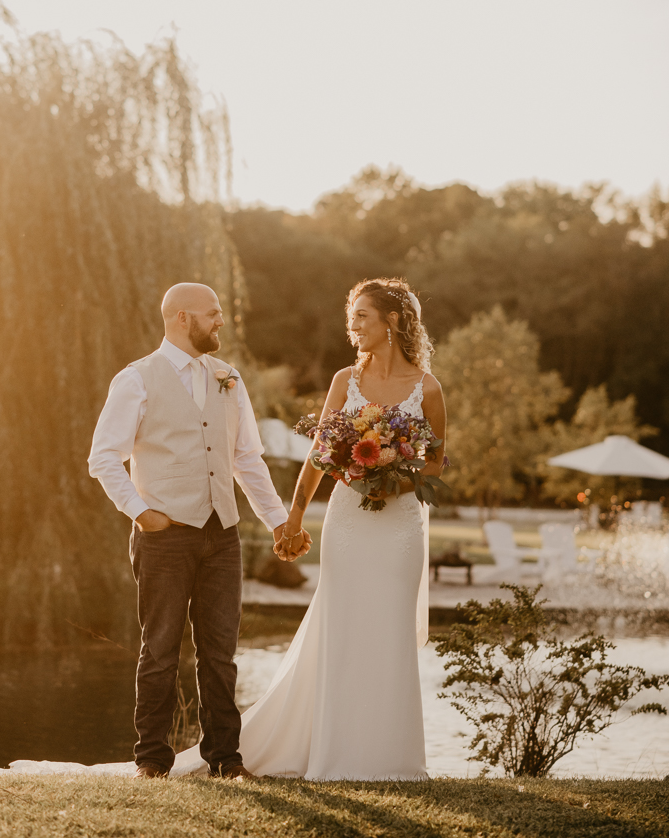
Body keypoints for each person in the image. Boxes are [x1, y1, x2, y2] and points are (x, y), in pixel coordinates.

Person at [172, 276, 447, 780]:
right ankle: (335, 753)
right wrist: (292, 518)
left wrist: (395, 484)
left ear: (392, 321)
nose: (353, 326)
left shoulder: (428, 389)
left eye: (362, 316)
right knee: (341, 627)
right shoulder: (346, 381)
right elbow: (320, 455)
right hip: (347, 522)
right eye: (351, 318)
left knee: (389, 630)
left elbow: (435, 466)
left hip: (403, 526)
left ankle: (393, 758)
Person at [87, 282, 312, 780]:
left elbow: (246, 459)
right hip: (164, 536)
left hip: (222, 534)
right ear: (182, 318)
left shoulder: (228, 377)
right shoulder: (137, 379)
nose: (221, 322)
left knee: (220, 652)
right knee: (160, 648)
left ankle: (226, 760)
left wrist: (279, 521)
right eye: (213, 314)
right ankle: (151, 760)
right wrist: (140, 512)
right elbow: (103, 457)